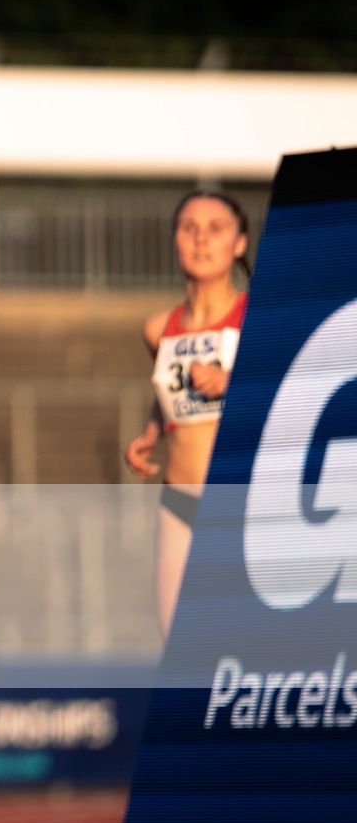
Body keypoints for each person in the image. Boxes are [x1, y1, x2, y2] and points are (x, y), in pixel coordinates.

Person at [124, 191, 252, 636]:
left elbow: (287, 399)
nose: (200, 240)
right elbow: (170, 395)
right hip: (179, 501)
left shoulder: (256, 319)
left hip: (245, 504)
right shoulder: (158, 328)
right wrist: (149, 433)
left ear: (239, 243)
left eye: (215, 229)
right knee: (176, 644)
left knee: (244, 643)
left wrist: (231, 383)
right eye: (188, 228)